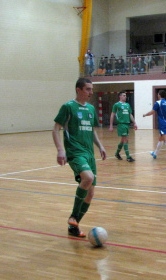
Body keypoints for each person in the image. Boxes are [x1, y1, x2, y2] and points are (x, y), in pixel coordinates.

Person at [52, 78, 107, 238]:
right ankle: (73, 217)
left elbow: (92, 130)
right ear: (78, 90)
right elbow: (56, 129)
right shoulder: (68, 107)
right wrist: (60, 150)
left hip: (89, 153)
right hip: (75, 152)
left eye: (91, 89)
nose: (91, 92)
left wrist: (100, 146)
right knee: (88, 178)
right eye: (88, 89)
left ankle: (73, 226)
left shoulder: (90, 108)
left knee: (90, 193)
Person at [143, 90, 166, 161]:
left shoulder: (158, 103)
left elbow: (152, 112)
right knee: (160, 139)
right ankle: (155, 154)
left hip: (163, 123)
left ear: (159, 95)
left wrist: (145, 115)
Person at [109, 92, 137, 162]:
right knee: (126, 140)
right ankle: (128, 157)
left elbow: (130, 114)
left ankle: (117, 153)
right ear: (120, 96)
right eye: (124, 95)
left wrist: (134, 123)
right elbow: (112, 115)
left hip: (127, 124)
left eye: (125, 96)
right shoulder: (116, 105)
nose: (125, 97)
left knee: (122, 140)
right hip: (121, 124)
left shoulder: (127, 105)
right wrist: (111, 125)